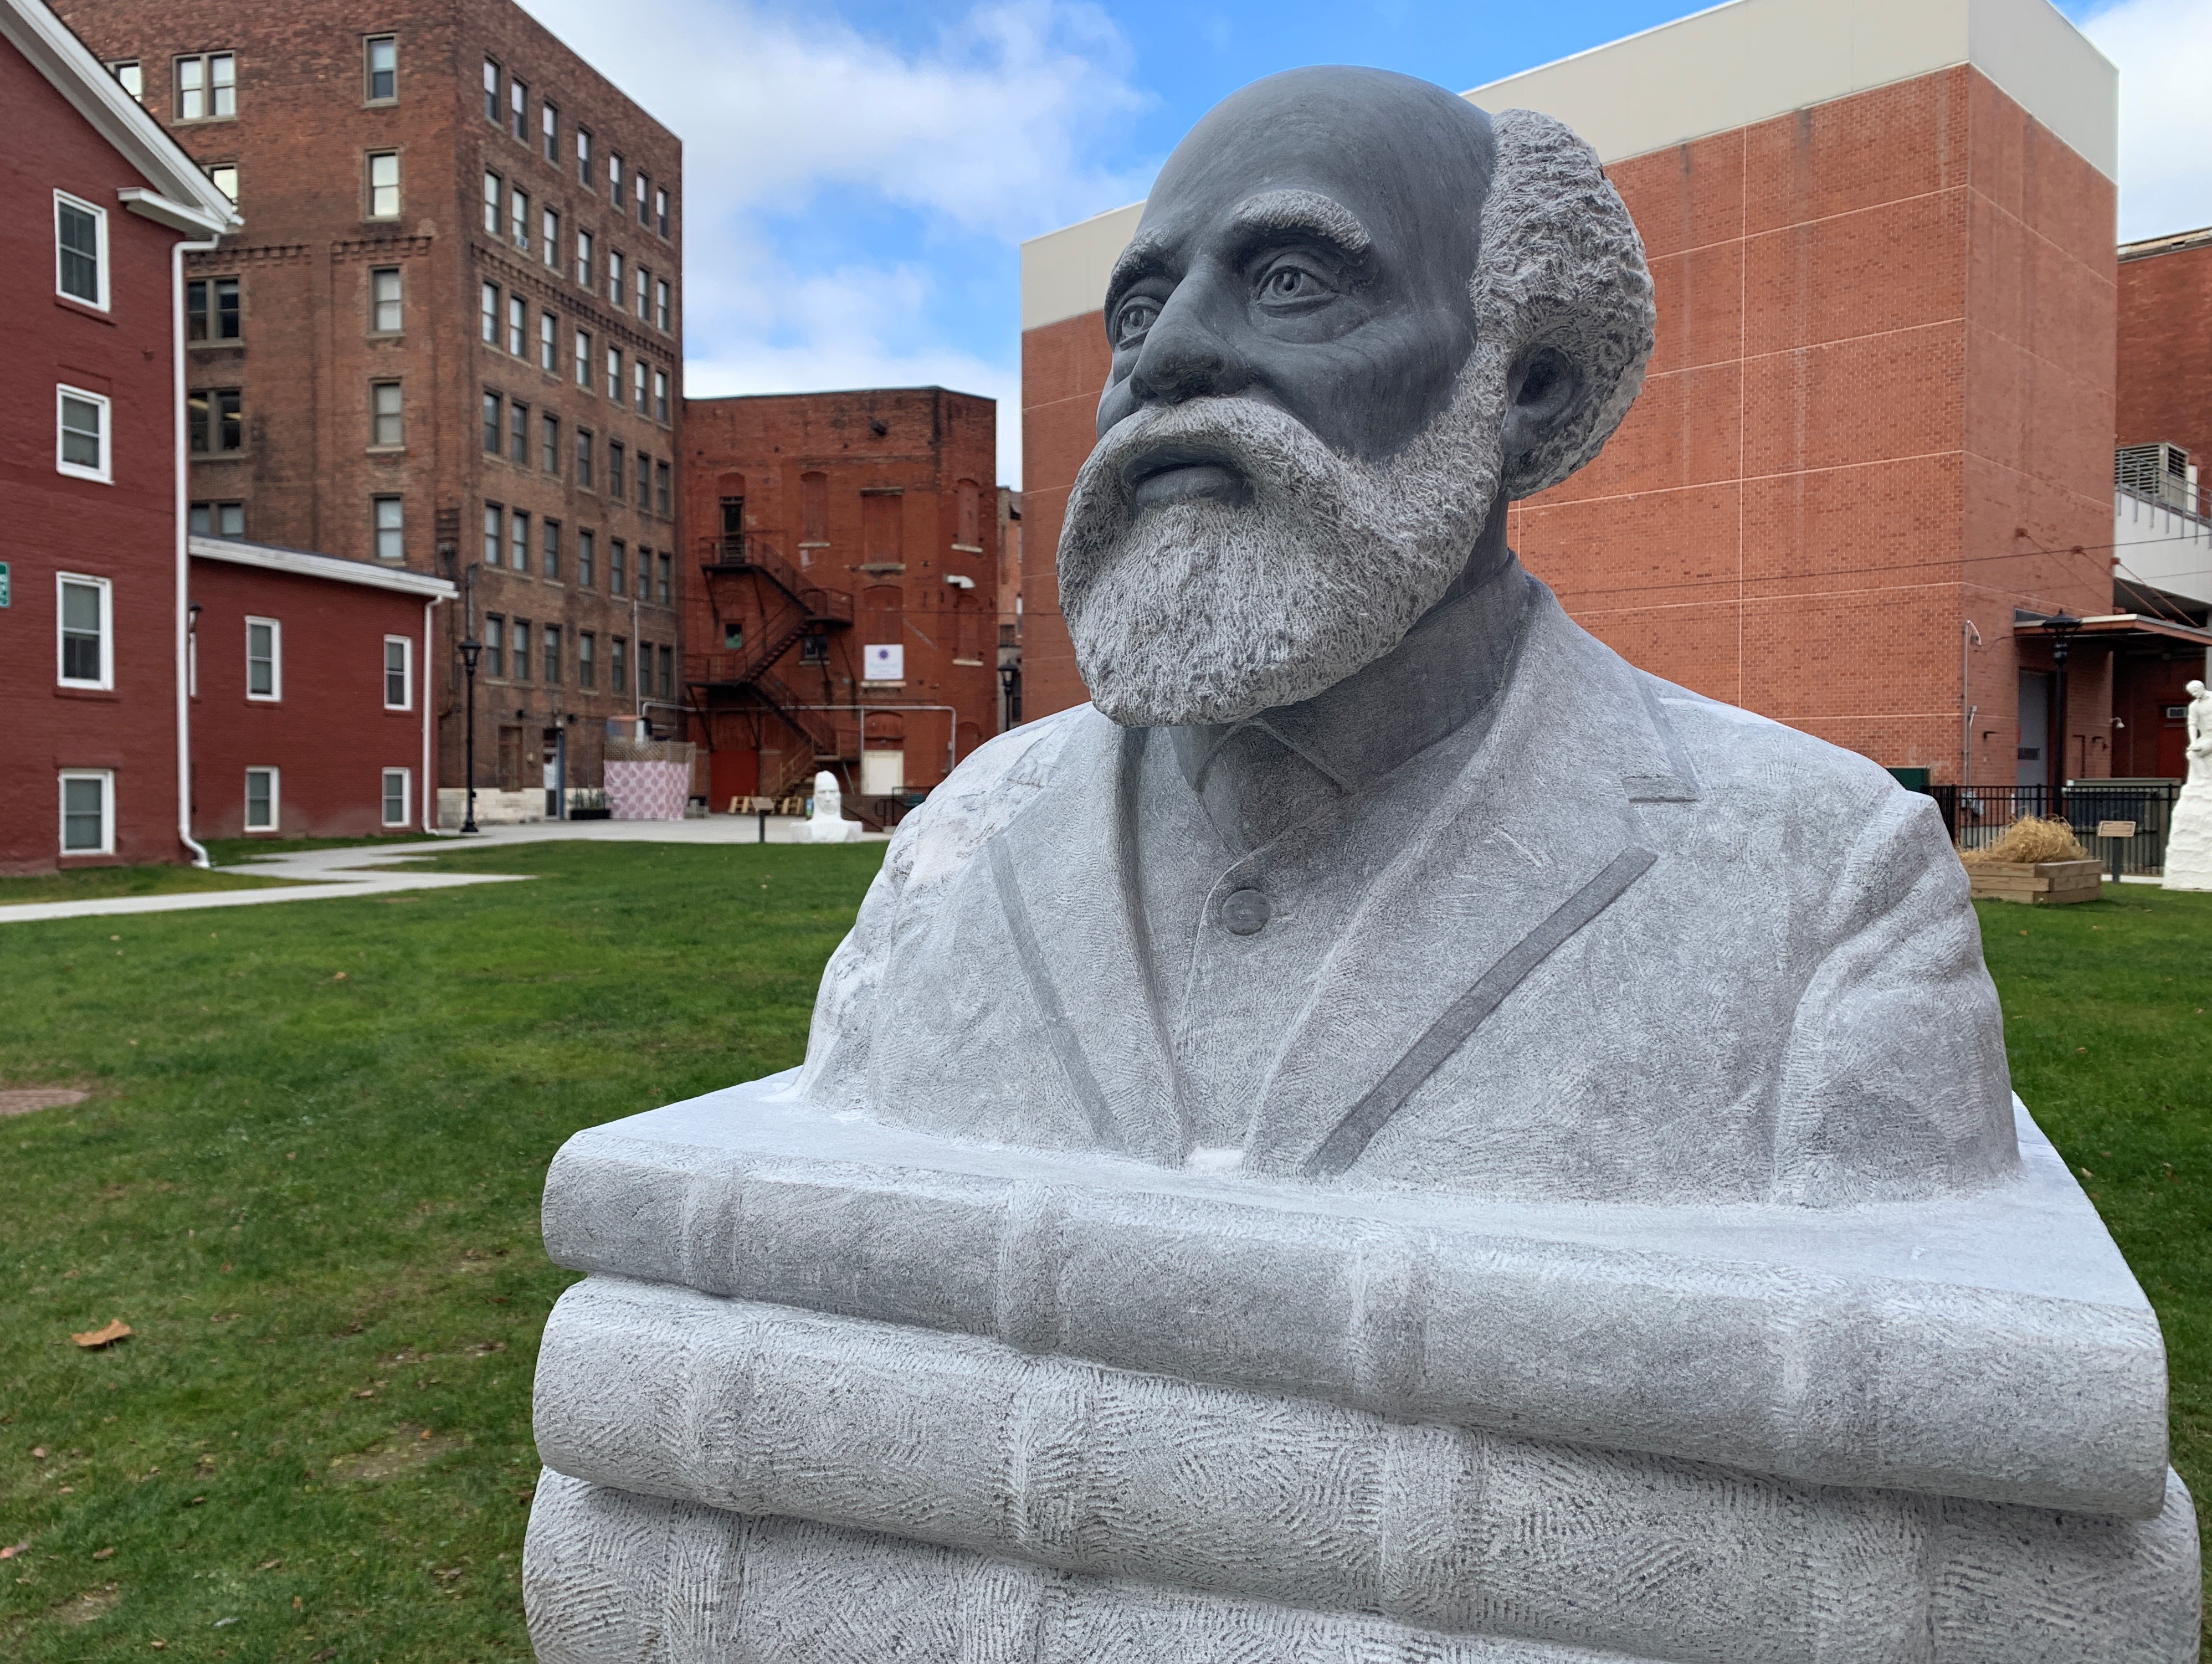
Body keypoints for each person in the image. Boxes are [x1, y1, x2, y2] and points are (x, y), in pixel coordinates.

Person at [803, 66, 2012, 1208]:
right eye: (1136, 309)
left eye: (1291, 281)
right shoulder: (948, 848)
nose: (1162, 359)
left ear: (1525, 379)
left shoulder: (1832, 885)